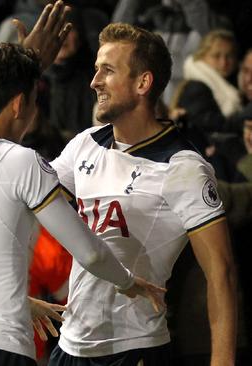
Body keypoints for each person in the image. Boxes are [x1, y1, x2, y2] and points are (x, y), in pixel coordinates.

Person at [0, 3, 165, 365]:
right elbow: (89, 252)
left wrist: (16, 298)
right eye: (32, 102)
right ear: (19, 105)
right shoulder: (18, 161)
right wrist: (128, 282)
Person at [45, 23, 236, 365]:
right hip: (69, 348)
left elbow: (220, 273)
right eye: (95, 70)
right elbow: (21, 187)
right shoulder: (85, 144)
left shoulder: (182, 167)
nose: (94, 81)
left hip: (133, 349)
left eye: (108, 70)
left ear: (142, 83)